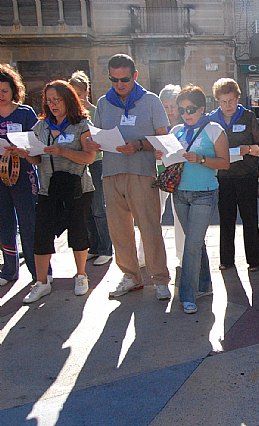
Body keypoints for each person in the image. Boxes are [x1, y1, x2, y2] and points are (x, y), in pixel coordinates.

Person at [92, 53, 172, 301]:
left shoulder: (150, 101)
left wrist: (138, 144)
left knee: (149, 227)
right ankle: (130, 276)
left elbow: (163, 138)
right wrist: (93, 141)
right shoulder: (104, 103)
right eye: (114, 80)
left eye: (124, 79)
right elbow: (96, 137)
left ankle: (160, 279)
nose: (119, 85)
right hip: (111, 172)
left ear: (134, 75)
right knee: (119, 231)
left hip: (141, 172)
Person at [16, 80, 96, 303]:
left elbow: (89, 157)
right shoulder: (41, 126)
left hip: (76, 187)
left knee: (78, 232)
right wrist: (25, 154)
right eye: (49, 100)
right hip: (48, 187)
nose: (52, 105)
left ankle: (81, 275)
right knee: (40, 234)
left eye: (57, 100)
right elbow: (37, 158)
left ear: (68, 100)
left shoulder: (81, 125)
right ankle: (41, 282)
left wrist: (62, 151)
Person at [160, 85, 228, 313]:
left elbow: (224, 163)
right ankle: (205, 285)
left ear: (201, 109)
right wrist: (163, 155)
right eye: (182, 110)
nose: (186, 114)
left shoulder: (214, 130)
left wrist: (199, 159)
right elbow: (168, 159)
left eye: (190, 109)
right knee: (194, 241)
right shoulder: (176, 130)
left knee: (191, 245)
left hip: (205, 193)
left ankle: (187, 295)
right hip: (180, 192)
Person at [210, 78, 259, 272]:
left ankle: (254, 260)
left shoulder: (248, 117)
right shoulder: (211, 119)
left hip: (246, 175)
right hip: (222, 176)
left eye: (231, 101)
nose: (228, 106)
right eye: (224, 102)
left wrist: (248, 149)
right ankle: (226, 260)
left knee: (250, 218)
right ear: (218, 101)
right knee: (226, 219)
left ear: (238, 98)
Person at [137, 84, 185, 270]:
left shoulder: (185, 125)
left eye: (173, 106)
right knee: (150, 215)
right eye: (166, 106)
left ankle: (182, 257)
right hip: (156, 174)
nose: (170, 111)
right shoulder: (152, 123)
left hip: (180, 175)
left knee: (180, 216)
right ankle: (144, 256)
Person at [0, 64, 39, 287]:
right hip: (0, 176)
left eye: (5, 91)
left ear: (14, 90)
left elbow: (35, 145)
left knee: (29, 223)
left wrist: (24, 151)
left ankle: (39, 271)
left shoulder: (25, 113)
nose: (1, 96)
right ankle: (9, 269)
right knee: (4, 223)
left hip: (23, 175)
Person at [69, 70, 113, 267]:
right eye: (72, 93)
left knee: (98, 208)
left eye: (79, 93)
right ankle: (94, 247)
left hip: (96, 162)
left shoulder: (96, 111)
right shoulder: (71, 115)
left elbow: (104, 135)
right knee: (84, 208)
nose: (76, 97)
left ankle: (106, 248)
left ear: (86, 92)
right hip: (78, 164)